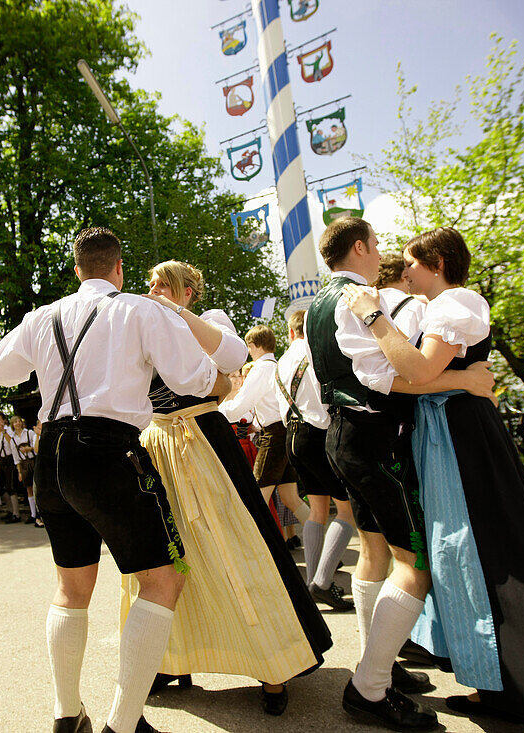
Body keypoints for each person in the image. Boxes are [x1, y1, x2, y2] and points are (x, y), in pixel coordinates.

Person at [342, 225, 524, 733]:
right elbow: (409, 379)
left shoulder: (457, 302)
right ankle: (500, 689)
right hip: (447, 433)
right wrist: (462, 378)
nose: (403, 271)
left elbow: (419, 373)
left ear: (439, 261)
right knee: (464, 560)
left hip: (465, 437)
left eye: (411, 263)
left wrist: (373, 317)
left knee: (499, 556)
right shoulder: (440, 307)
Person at [0, 227, 222, 733]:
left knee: (72, 588)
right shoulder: (139, 309)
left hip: (51, 453)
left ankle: (66, 715)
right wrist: (218, 378)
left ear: (76, 269)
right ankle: (123, 722)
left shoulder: (44, 315)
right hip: (109, 449)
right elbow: (191, 379)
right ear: (118, 268)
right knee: (163, 580)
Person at [305, 217, 497, 731]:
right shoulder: (365, 302)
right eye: (380, 246)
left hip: (345, 437)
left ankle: (379, 667)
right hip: (373, 442)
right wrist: (466, 377)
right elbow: (389, 379)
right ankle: (368, 687)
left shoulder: (318, 305)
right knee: (414, 564)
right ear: (363, 247)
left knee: (375, 551)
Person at [128, 260, 331, 716]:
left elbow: (234, 357)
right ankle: (171, 656)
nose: (154, 288)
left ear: (188, 292)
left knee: (237, 547)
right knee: (166, 553)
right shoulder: (138, 325)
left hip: (204, 440)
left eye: (165, 283)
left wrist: (175, 315)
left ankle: (271, 664)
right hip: (157, 443)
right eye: (151, 283)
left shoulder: (207, 321)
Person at [277, 309, 355, 612]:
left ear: (292, 331)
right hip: (317, 434)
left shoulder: (283, 359)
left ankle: (314, 581)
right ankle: (321, 581)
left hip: (292, 436)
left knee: (318, 510)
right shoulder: (314, 353)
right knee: (346, 510)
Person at [220, 325, 310, 528]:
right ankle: (320, 542)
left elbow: (237, 408)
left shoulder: (260, 369)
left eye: (249, 347)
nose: (249, 352)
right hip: (286, 431)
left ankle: (270, 554)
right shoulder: (277, 365)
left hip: (274, 435)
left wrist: (215, 409)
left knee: (257, 497)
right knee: (290, 498)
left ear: (254, 346)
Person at [11, 415, 41, 526]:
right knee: (29, 489)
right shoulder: (13, 439)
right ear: (12, 425)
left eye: (19, 421)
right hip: (23, 464)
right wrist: (19, 472)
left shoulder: (29, 433)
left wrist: (30, 449)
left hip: (33, 461)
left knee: (36, 487)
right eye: (15, 422)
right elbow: (16, 458)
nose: (17, 423)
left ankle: (39, 514)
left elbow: (36, 445)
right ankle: (33, 514)